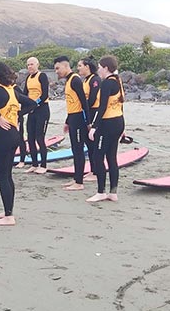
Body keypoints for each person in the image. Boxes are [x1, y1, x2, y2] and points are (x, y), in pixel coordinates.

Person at [0, 62, 36, 226]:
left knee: (1, 175)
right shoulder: (12, 91)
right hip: (14, 135)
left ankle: (9, 217)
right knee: (7, 174)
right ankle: (8, 211)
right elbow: (32, 103)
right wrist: (16, 114)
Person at [87, 55, 126, 203]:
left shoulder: (106, 84)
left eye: (99, 67)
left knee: (98, 157)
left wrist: (94, 127)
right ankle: (113, 192)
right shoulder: (118, 81)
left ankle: (101, 192)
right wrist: (124, 127)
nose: (98, 70)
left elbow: (101, 107)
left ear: (106, 68)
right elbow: (120, 105)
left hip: (107, 124)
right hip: (118, 121)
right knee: (111, 157)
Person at [53, 56, 88, 191]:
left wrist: (88, 122)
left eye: (58, 68)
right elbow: (72, 104)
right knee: (74, 149)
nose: (56, 71)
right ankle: (76, 179)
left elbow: (83, 103)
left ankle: (79, 182)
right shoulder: (68, 81)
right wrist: (67, 121)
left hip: (79, 119)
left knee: (79, 150)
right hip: (73, 118)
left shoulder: (75, 80)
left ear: (66, 66)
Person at [23, 57, 51, 174]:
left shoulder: (42, 76)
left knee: (40, 138)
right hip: (32, 111)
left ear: (37, 65)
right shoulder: (28, 78)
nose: (30, 67)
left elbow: (44, 94)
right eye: (28, 65)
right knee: (30, 138)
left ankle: (43, 165)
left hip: (42, 110)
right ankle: (34, 164)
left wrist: (35, 104)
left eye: (32, 64)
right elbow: (24, 95)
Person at [79, 57, 101, 182]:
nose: (78, 68)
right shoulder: (85, 80)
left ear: (87, 67)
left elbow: (92, 99)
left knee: (94, 143)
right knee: (88, 143)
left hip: (94, 112)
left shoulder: (95, 80)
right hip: (86, 112)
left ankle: (97, 171)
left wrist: (83, 107)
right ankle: (93, 170)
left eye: (80, 65)